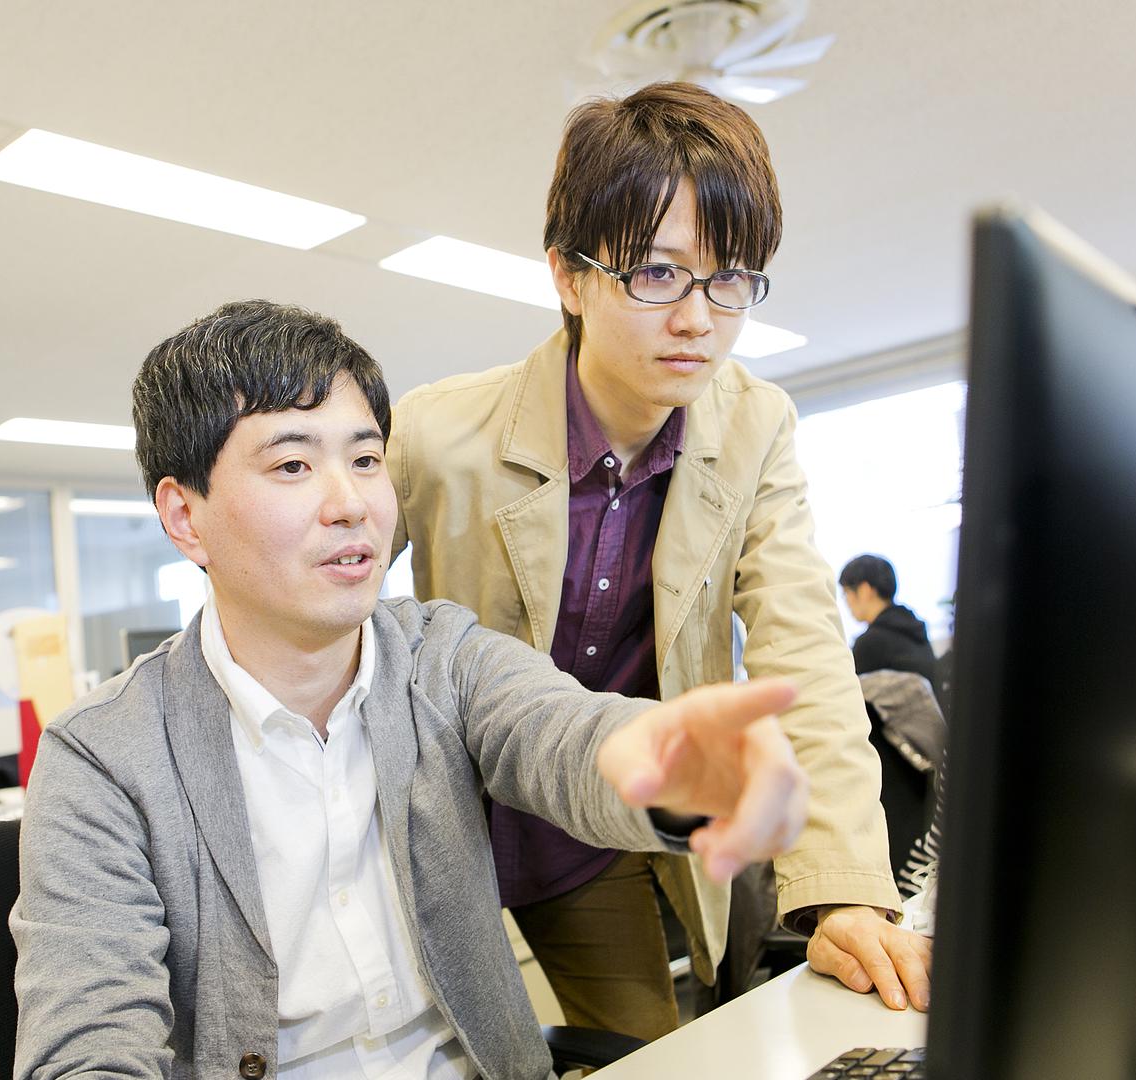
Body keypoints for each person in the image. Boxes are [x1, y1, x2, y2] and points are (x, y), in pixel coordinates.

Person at [11, 299, 816, 1080]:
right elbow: (87, 1045)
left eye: (365, 460)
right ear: (186, 517)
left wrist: (669, 766)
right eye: (292, 466)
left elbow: (559, 732)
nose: (351, 504)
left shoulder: (439, 656)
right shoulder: (103, 755)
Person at [387, 81, 929, 1035]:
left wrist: (844, 889)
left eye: (731, 280)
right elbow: (313, 601)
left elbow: (804, 652)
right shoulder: (436, 433)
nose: (698, 320)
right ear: (569, 275)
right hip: (447, 816)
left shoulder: (754, 426)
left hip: (602, 830)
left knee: (645, 1044)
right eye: (657, 274)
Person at [838, 554, 939, 692]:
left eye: (846, 593)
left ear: (864, 590)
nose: (846, 602)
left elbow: (849, 695)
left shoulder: (870, 644)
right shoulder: (917, 633)